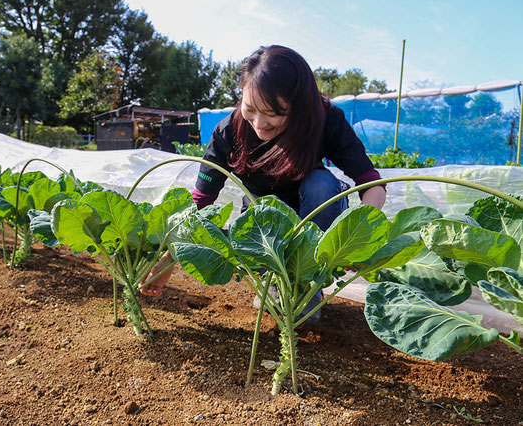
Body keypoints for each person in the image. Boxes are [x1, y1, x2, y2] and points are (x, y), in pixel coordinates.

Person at [140, 45, 386, 321]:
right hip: (261, 228)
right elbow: (201, 202)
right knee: (250, 224)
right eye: (250, 109)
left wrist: (362, 235)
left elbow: (371, 183)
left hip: (314, 220)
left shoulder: (325, 120)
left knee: (321, 185)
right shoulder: (228, 131)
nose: (259, 122)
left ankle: (305, 284)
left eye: (273, 113)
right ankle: (271, 279)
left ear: (300, 105)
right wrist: (168, 259)